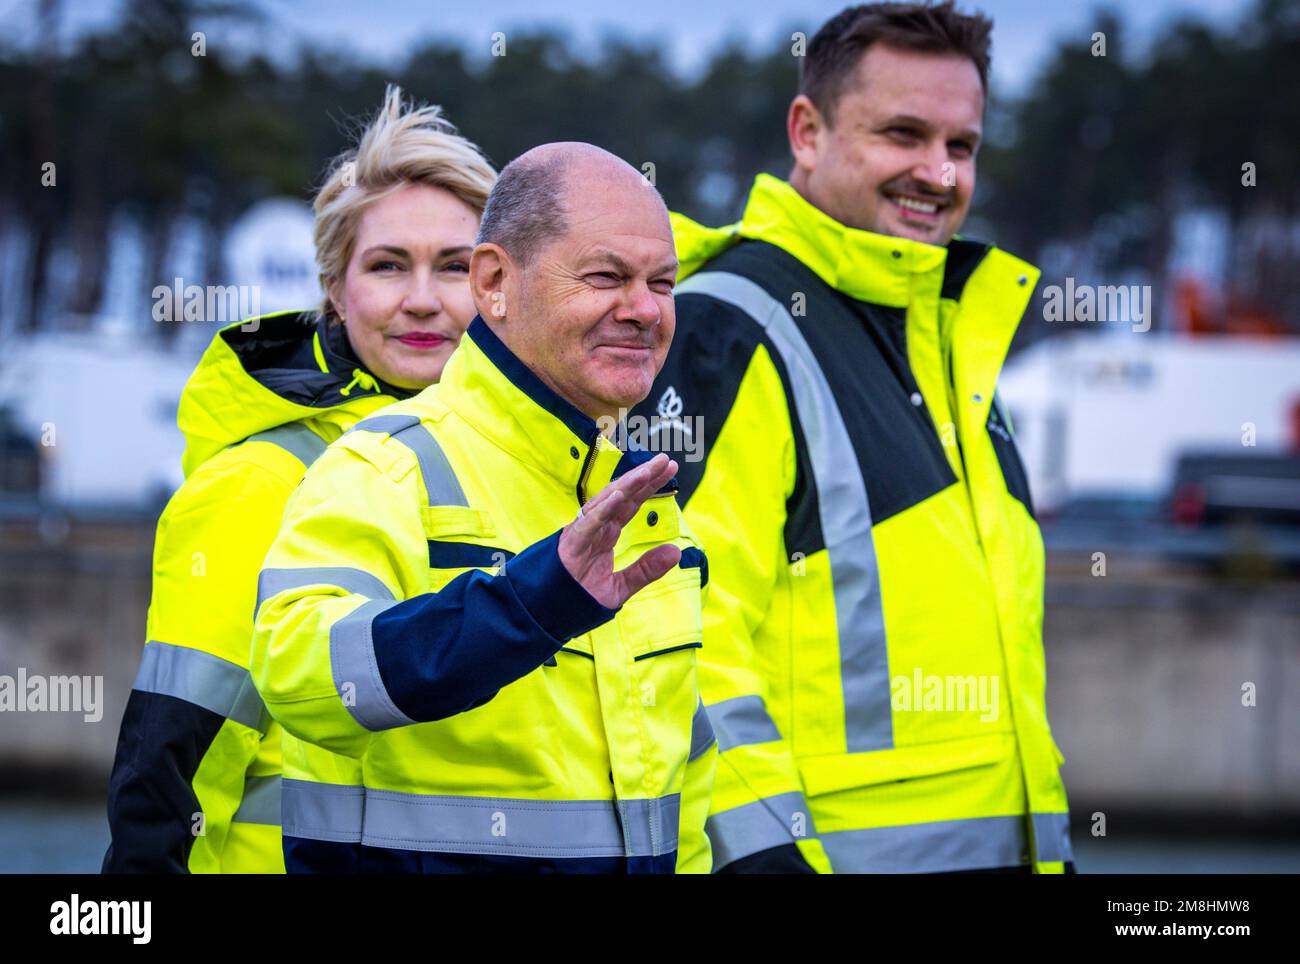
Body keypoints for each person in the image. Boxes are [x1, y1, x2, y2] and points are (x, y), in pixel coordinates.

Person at [630, 1, 1074, 873]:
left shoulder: (954, 344)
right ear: (807, 130)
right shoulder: (729, 329)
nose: (939, 173)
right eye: (903, 134)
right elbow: (678, 635)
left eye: (963, 146)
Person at [250, 142, 716, 874]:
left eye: (663, 282)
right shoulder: (386, 464)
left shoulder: (649, 511)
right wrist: (531, 605)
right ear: (495, 282)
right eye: (605, 277)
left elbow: (679, 801)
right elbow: (301, 678)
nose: (643, 309)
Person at [102, 86, 496, 873]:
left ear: (495, 285)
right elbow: (166, 778)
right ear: (333, 291)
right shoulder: (257, 481)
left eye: (453, 267)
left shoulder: (526, 470)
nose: (423, 300)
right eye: (388, 266)